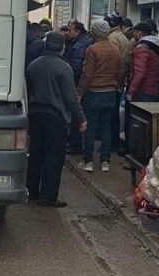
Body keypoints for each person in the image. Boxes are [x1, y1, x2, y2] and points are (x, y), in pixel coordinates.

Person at [26, 32, 86, 207]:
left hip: (35, 114)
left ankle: (32, 191)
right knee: (53, 157)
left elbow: (28, 90)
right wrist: (80, 119)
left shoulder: (33, 65)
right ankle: (48, 196)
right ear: (62, 47)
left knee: (36, 154)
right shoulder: (64, 68)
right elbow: (70, 98)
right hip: (56, 117)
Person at [77, 20, 125, 173]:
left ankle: (88, 161)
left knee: (90, 127)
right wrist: (116, 86)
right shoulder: (115, 50)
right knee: (106, 127)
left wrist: (80, 92)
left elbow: (87, 74)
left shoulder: (92, 49)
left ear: (95, 32)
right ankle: (105, 161)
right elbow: (120, 72)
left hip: (93, 92)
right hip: (110, 92)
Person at [63, 20, 91, 154]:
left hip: (76, 83)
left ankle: (76, 144)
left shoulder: (80, 45)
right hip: (76, 83)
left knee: (76, 114)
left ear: (77, 31)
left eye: (70, 30)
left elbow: (76, 67)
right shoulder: (76, 43)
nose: (67, 32)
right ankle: (74, 142)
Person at [105, 13, 131, 153]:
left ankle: (111, 144)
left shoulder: (112, 38)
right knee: (114, 114)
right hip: (120, 80)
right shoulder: (122, 36)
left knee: (110, 115)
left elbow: (113, 61)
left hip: (114, 80)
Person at [127, 22, 159, 103]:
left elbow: (140, 72)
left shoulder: (141, 48)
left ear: (140, 33)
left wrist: (131, 91)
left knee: (138, 114)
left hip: (143, 90)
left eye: (135, 32)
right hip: (154, 88)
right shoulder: (156, 46)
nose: (134, 34)